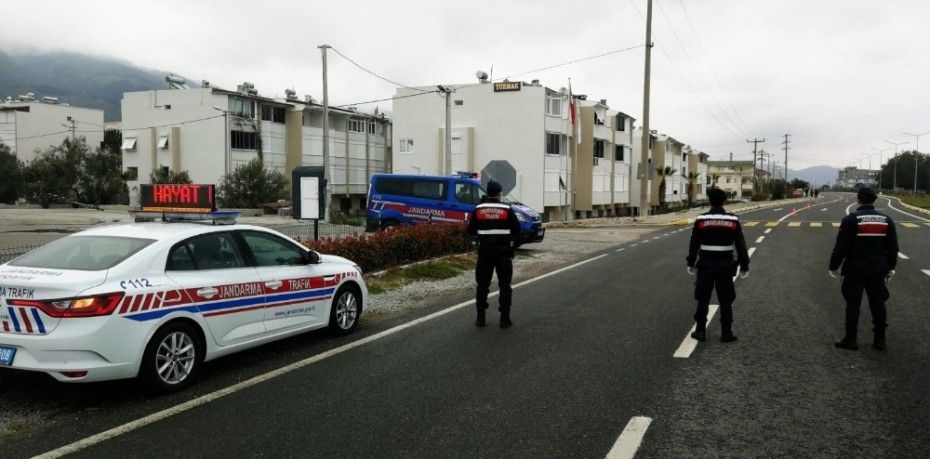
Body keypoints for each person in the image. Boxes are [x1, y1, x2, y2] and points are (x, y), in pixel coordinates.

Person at [829, 187, 898, 351]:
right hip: (878, 269)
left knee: (853, 304)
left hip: (855, 269)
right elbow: (893, 248)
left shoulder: (851, 219)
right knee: (878, 303)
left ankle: (851, 339)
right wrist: (891, 267)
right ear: (875, 200)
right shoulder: (887, 220)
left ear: (858, 200)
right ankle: (880, 340)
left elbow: (841, 247)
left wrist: (833, 266)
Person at [686, 187, 750, 342]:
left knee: (703, 298)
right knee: (726, 299)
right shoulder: (733, 220)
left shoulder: (701, 219)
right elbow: (740, 244)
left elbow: (694, 243)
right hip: (725, 265)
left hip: (705, 264)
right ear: (724, 201)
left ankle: (700, 331)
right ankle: (726, 333)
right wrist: (744, 265)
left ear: (709, 201)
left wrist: (691, 262)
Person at [466, 180, 522, 328]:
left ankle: (480, 318)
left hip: (484, 253)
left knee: (482, 285)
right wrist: (512, 244)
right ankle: (504, 319)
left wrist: (477, 242)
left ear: (488, 193)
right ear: (499, 193)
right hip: (503, 253)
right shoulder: (506, 209)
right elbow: (517, 230)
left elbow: (471, 231)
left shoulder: (478, 209)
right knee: (504, 286)